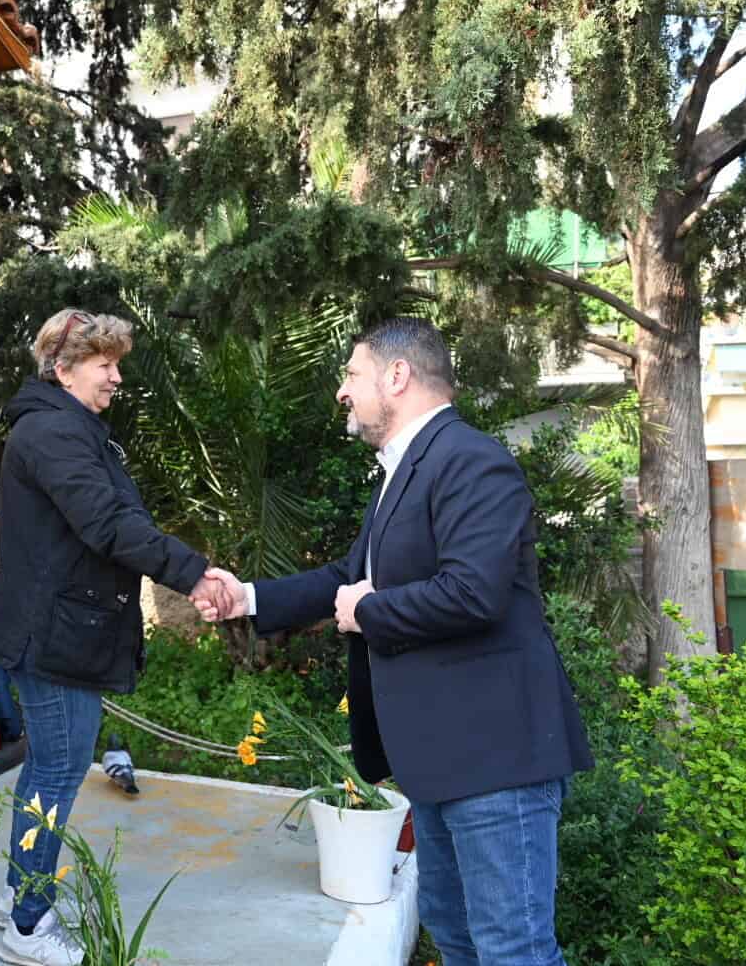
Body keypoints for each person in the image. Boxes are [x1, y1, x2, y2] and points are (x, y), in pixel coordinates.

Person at [195, 317, 592, 966]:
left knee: (512, 951)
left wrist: (369, 611)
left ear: (398, 375)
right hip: (440, 763)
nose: (342, 391)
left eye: (352, 374)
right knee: (456, 938)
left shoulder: (472, 460)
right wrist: (250, 598)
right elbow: (347, 578)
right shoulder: (404, 472)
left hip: (497, 763)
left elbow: (474, 593)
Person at [0, 307, 234, 966]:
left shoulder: (68, 428)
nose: (117, 377)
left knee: (49, 768)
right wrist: (193, 572)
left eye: (117, 364)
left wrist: (186, 567)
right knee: (58, 772)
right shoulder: (53, 433)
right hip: (52, 635)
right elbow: (108, 525)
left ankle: (18, 898)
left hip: (60, 630)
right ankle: (29, 927)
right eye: (105, 364)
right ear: (63, 369)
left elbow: (116, 518)